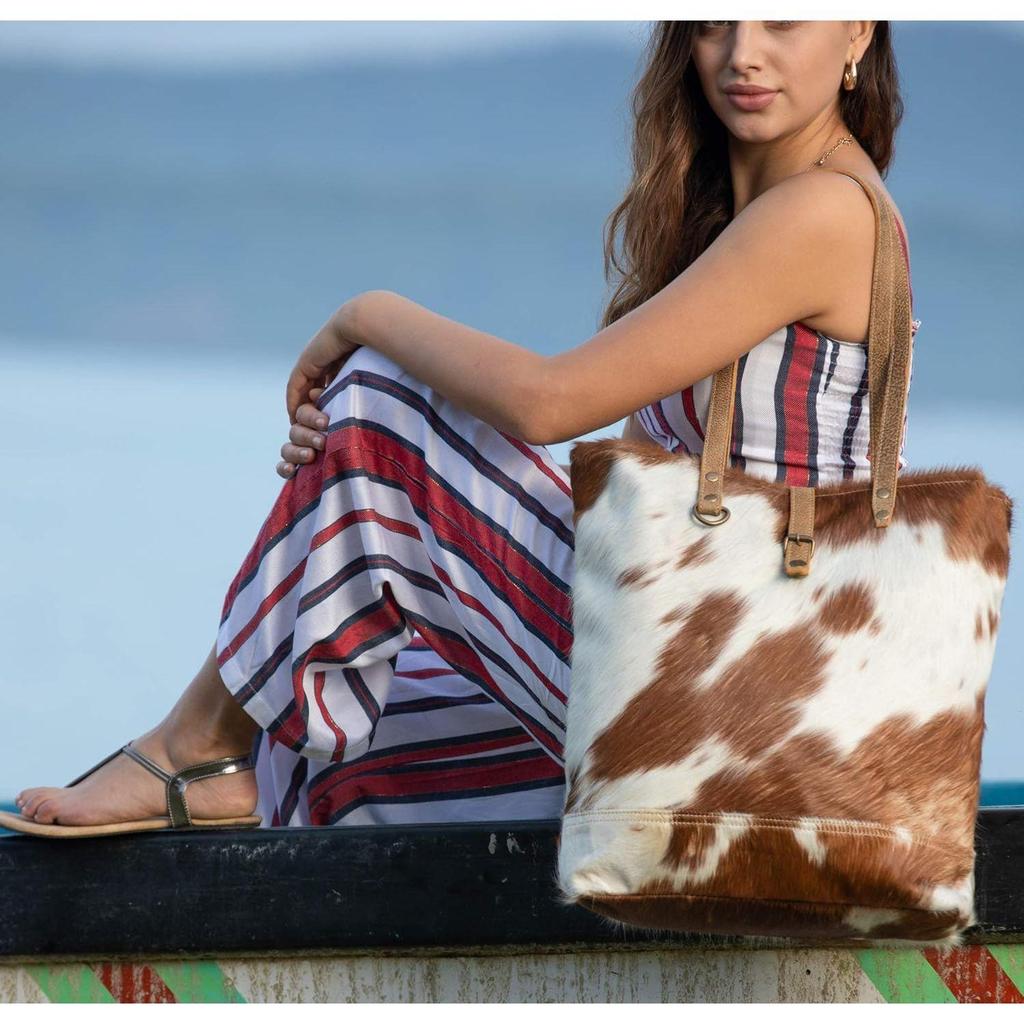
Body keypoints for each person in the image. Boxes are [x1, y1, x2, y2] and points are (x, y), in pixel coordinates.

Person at [8, 20, 922, 835]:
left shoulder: (821, 212)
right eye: (714, 23)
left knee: (378, 400)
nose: (743, 51)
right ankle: (224, 784)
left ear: (858, 35)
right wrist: (349, 491)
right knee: (330, 729)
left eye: (784, 19)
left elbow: (550, 402)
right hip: (714, 673)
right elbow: (641, 488)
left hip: (745, 701)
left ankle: (192, 741)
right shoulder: (755, 217)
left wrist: (367, 325)